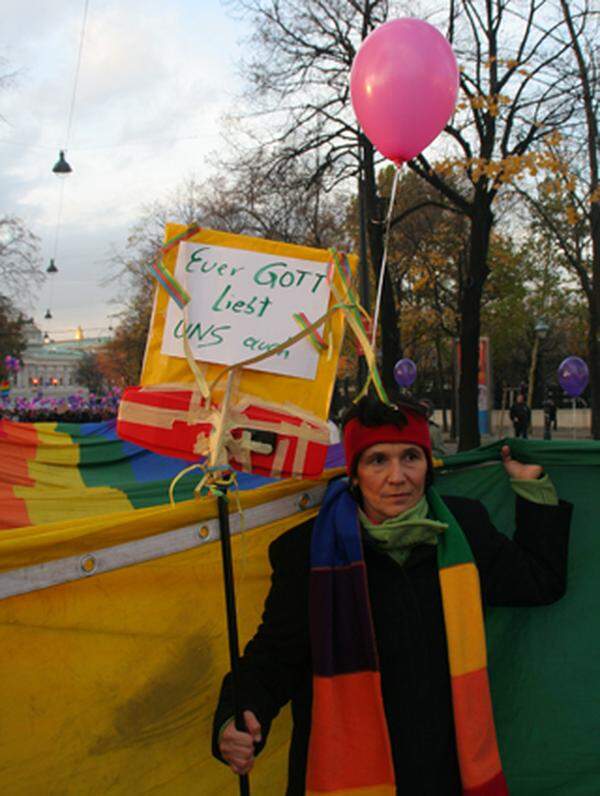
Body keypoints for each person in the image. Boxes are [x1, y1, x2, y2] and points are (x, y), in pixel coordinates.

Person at [213, 396, 572, 795]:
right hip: (345, 772)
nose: (397, 477)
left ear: (427, 466)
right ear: (354, 473)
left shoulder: (464, 529)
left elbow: (539, 581)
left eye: (410, 457)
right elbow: (274, 657)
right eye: (378, 460)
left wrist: (531, 484)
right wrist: (236, 715)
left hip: (444, 769)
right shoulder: (307, 552)